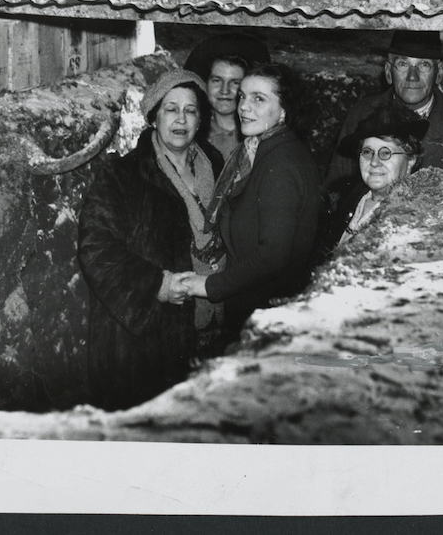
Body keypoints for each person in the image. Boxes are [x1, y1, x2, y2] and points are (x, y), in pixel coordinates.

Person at [76, 69, 226, 411]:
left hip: (209, 323)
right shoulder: (122, 176)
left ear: (201, 119)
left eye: (190, 110)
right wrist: (158, 283)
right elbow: (96, 249)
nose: (180, 119)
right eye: (171, 108)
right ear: (154, 117)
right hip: (145, 338)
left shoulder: (215, 166)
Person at [174, 64, 321, 331]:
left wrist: (208, 285)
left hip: (266, 315)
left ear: (284, 110)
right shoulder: (260, 152)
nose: (243, 107)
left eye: (258, 99)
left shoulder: (281, 165)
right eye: (243, 96)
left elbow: (272, 256)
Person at [324, 30, 443, 191]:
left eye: (424, 64)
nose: (412, 76)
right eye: (403, 64)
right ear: (388, 72)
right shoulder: (361, 115)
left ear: (439, 73)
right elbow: (335, 189)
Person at [312, 112, 428, 264]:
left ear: (411, 159)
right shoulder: (347, 198)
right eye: (367, 152)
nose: (374, 162)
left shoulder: (413, 216)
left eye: (385, 153)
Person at [183, 32, 271, 161]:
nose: (225, 90)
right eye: (217, 80)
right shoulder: (190, 131)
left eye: (235, 82)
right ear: (206, 84)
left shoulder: (261, 134)